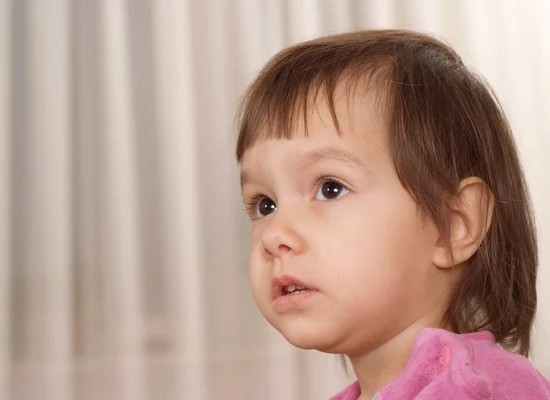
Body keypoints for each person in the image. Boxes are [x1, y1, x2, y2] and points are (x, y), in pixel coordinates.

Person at [235, 29, 550, 399]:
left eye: (330, 188)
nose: (274, 236)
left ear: (455, 224)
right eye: (265, 205)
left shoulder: (476, 389)